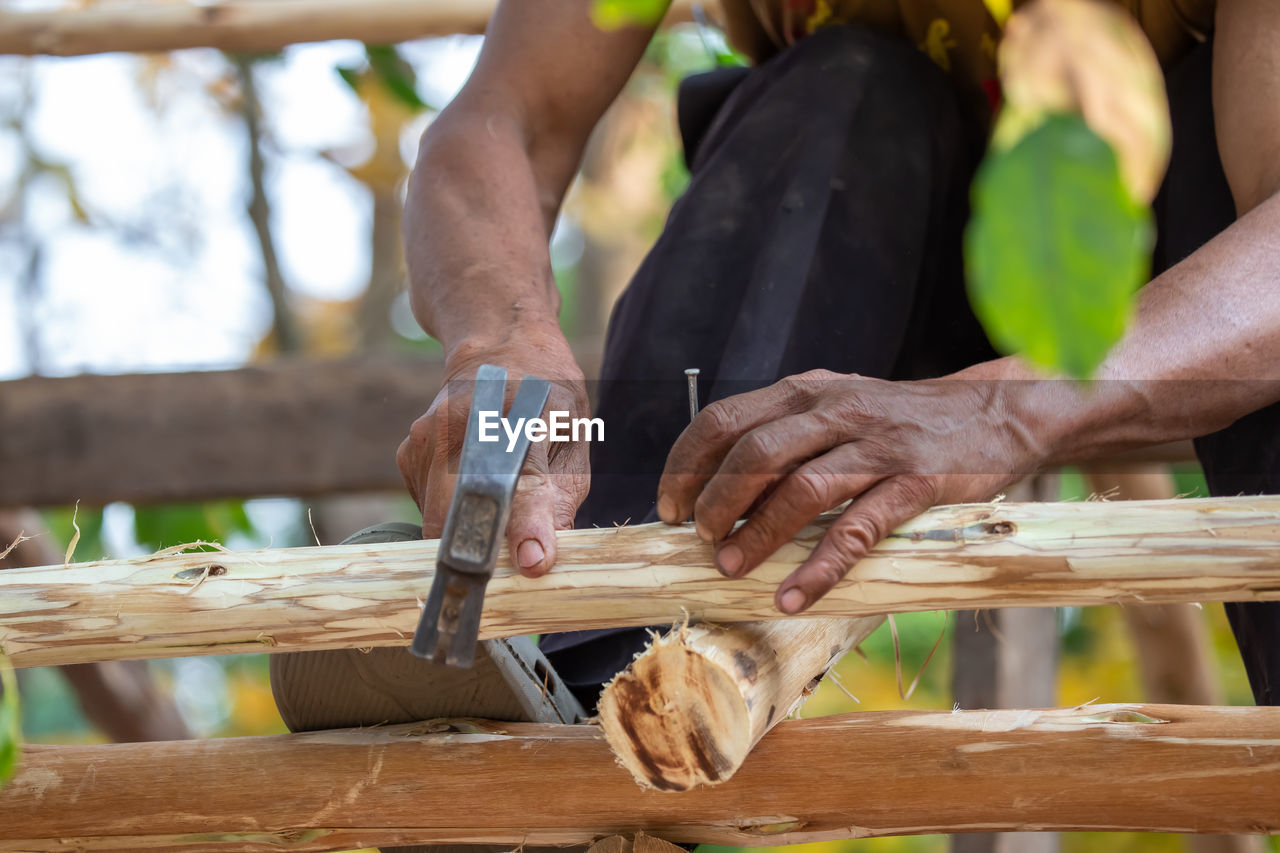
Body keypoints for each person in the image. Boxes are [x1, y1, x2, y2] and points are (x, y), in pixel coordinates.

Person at [271, 0, 1280, 802]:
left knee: (1207, 164)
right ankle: (589, 671)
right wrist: (503, 339)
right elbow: (505, 116)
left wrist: (1004, 407)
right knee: (837, 89)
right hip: (866, 230)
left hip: (1167, 269)